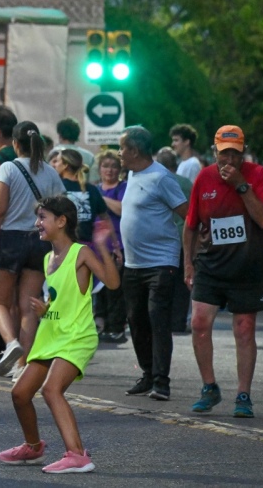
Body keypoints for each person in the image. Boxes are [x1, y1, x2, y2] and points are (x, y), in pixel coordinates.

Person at [0, 195, 120, 474]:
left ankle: (78, 455)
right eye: (38, 217)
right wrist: (45, 309)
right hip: (51, 334)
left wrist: (101, 245)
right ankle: (33, 447)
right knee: (20, 393)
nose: (37, 223)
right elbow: (61, 295)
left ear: (61, 221)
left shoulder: (81, 252)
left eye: (43, 217)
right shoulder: (47, 259)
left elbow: (112, 283)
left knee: (52, 390)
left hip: (76, 335)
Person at [184, 125, 263, 417]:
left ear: (243, 152)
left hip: (248, 266)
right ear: (215, 152)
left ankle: (243, 394)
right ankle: (209, 387)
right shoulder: (204, 176)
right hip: (210, 263)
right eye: (224, 155)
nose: (229, 161)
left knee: (245, 329)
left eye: (235, 154)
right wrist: (188, 262)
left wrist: (240, 184)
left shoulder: (257, 175)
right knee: (198, 323)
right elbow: (191, 225)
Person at [0, 121, 65, 380]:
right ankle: (22, 367)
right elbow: (62, 204)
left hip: (9, 239)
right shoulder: (50, 172)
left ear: (14, 144)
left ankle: (10, 344)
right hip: (39, 241)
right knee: (29, 306)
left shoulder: (8, 168)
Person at [118, 126, 188, 401]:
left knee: (157, 320)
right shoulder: (132, 174)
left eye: (122, 147)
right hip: (133, 264)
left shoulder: (161, 178)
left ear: (134, 150)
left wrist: (189, 250)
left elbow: (186, 214)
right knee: (136, 321)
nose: (119, 153)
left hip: (161, 261)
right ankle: (147, 374)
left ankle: (161, 382)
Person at [155, 147, 195, 333]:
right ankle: (178, 321)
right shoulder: (186, 183)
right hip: (184, 237)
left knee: (162, 282)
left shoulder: (156, 181)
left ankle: (161, 320)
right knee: (182, 282)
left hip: (163, 239)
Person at [96, 150, 128, 342]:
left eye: (114, 166)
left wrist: (101, 200)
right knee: (98, 289)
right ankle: (101, 324)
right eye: (106, 166)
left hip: (118, 244)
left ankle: (116, 327)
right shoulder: (94, 188)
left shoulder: (123, 187)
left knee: (115, 288)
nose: (110, 170)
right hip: (97, 246)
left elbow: (122, 208)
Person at [50, 149, 109, 244]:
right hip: (88, 247)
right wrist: (115, 244)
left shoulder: (56, 188)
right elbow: (105, 218)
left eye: (57, 161)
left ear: (65, 165)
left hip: (63, 246)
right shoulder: (91, 189)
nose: (54, 165)